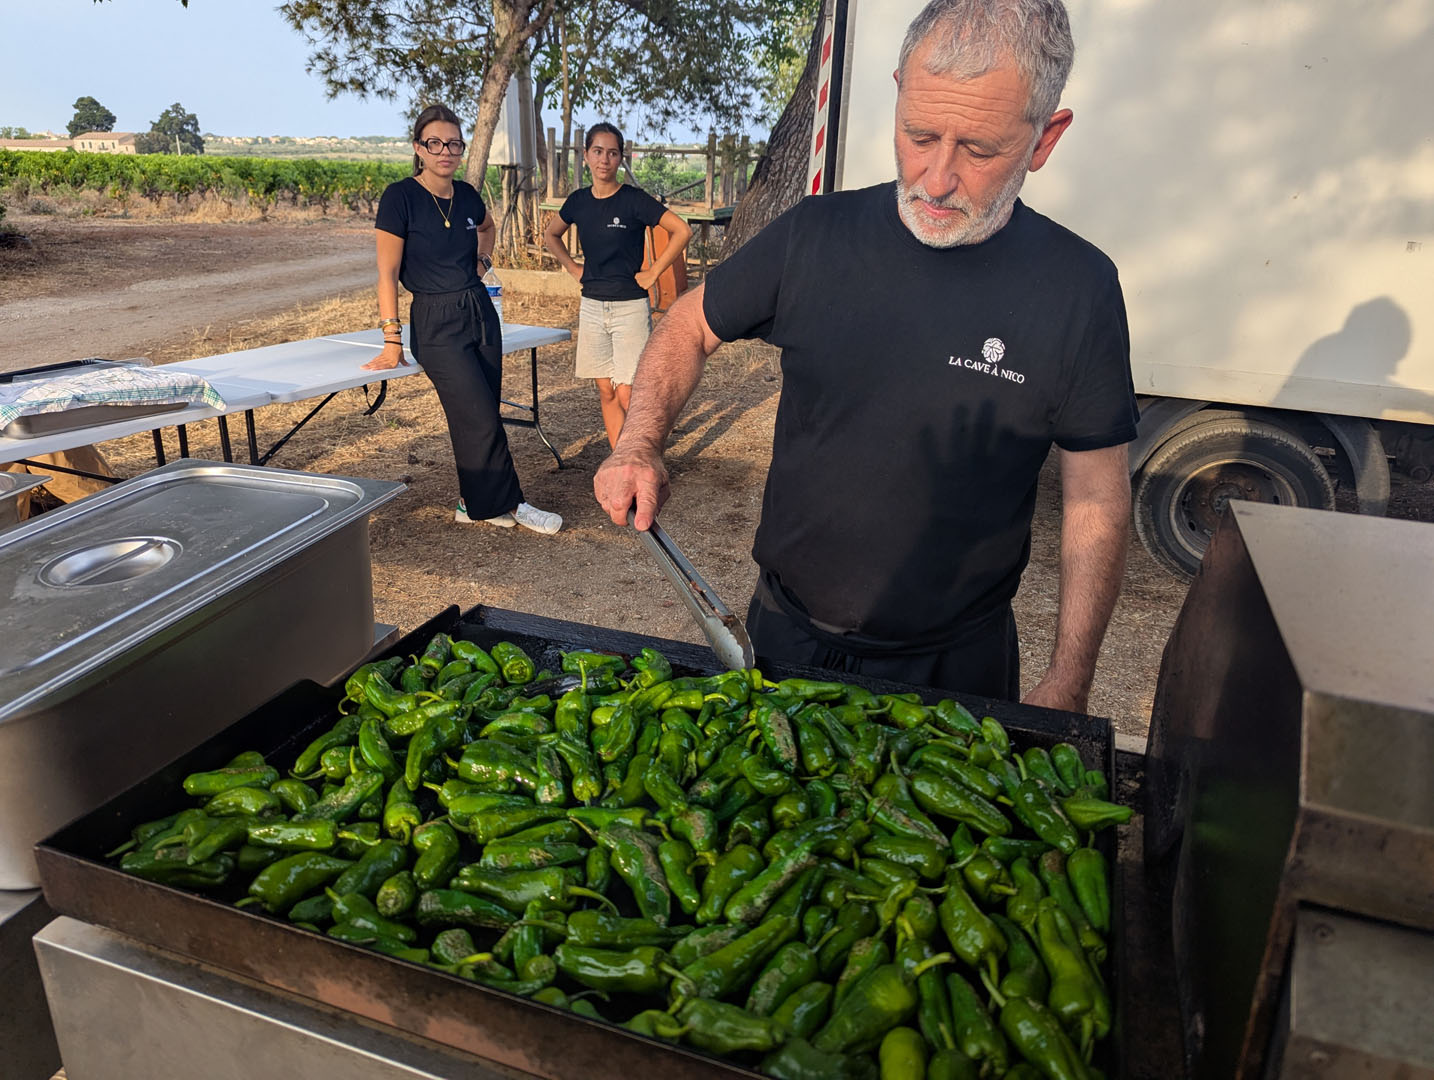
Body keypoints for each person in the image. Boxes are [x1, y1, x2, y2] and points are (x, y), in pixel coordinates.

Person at [593, 0, 1138, 714]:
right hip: (784, 633)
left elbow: (1096, 496)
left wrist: (1070, 679)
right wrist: (639, 442)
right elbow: (688, 325)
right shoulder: (815, 235)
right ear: (899, 93)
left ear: (1045, 138)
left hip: (955, 666)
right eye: (919, 135)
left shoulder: (1078, 288)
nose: (936, 179)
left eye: (978, 150)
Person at [364, 104, 562, 535]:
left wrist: (483, 261)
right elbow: (386, 273)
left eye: (454, 144)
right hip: (434, 321)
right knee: (478, 416)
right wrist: (392, 339)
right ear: (418, 148)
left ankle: (471, 503)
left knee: (483, 410)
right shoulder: (400, 197)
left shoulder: (468, 195)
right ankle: (513, 504)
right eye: (435, 143)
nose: (445, 152)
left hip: (479, 310)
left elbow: (488, 228)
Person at [543, 124, 693, 449]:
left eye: (612, 153)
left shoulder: (633, 201)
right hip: (592, 307)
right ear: (586, 155)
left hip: (630, 308)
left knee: (628, 392)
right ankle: (619, 457)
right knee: (606, 390)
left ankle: (642, 456)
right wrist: (572, 267)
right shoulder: (578, 202)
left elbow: (682, 230)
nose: (604, 160)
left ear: (620, 158)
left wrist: (654, 273)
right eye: (598, 151)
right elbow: (551, 234)